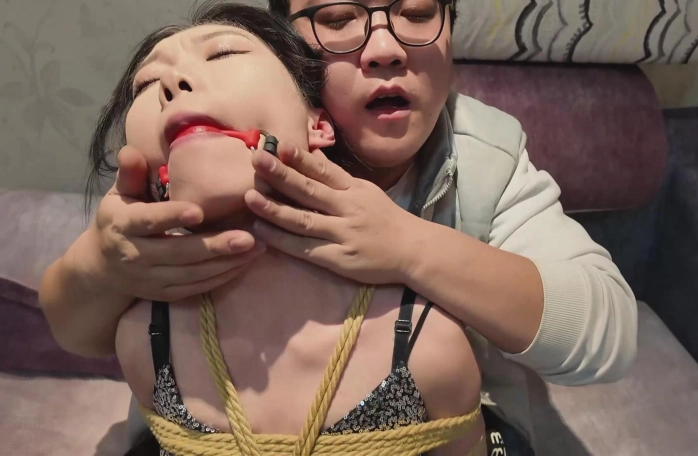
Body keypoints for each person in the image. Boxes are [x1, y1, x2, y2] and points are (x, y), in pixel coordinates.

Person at [39, 0, 638, 451]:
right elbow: (79, 328)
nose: (385, 48)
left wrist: (410, 247)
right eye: (338, 18)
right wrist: (99, 266)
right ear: (290, 47)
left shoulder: (485, 157)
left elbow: (605, 334)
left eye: (418, 12)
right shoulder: (173, 175)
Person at [84, 3, 485, 455]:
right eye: (147, 83)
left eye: (223, 54)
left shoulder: (429, 345)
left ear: (319, 125)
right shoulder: (142, 339)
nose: (173, 83)